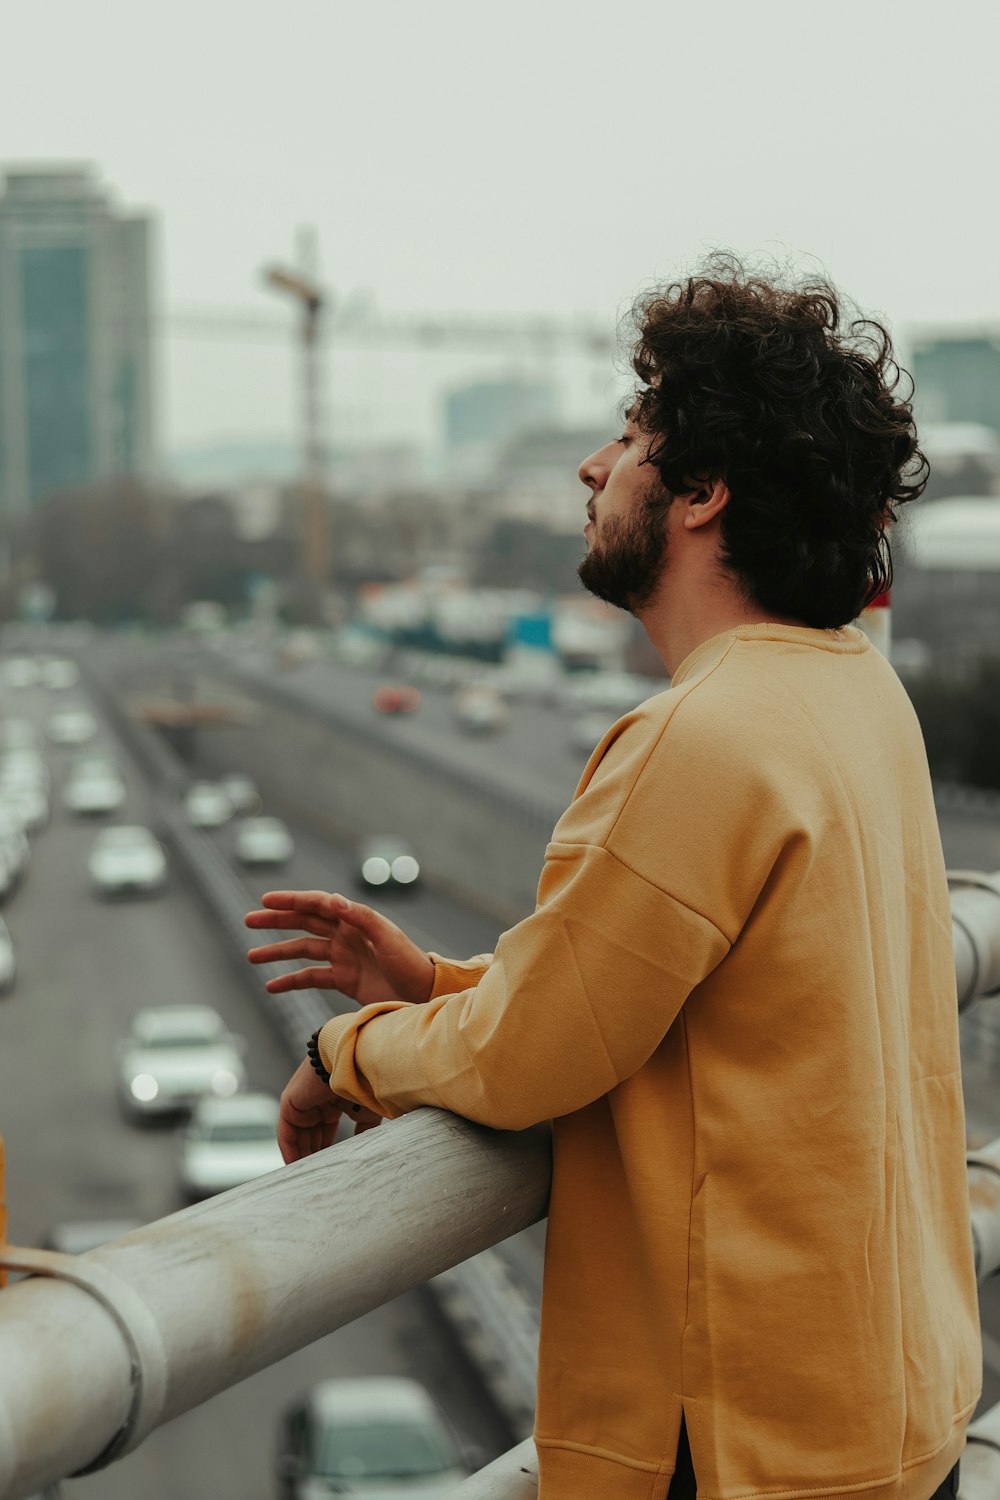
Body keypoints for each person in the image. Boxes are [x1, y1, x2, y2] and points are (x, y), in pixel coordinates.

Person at [245, 257, 982, 1500]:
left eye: (632, 434)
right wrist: (437, 985)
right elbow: (687, 1011)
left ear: (701, 493)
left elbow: (534, 1058)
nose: (594, 466)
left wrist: (347, 1051)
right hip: (885, 1419)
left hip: (741, 1447)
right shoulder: (858, 696)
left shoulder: (696, 737)